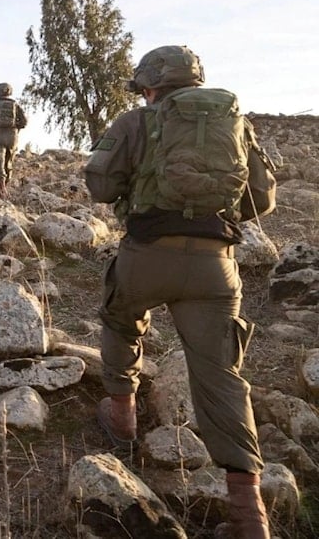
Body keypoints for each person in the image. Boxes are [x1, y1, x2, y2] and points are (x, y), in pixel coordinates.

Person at [84, 45, 269, 538]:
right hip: (215, 267)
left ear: (150, 85)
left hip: (146, 253)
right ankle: (249, 516)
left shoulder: (134, 121)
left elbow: (100, 186)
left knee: (120, 318)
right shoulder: (235, 122)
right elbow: (263, 198)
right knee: (222, 376)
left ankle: (122, 416)